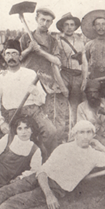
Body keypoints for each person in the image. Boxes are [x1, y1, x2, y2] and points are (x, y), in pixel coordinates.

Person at [0, 39, 58, 156]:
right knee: (14, 145)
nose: (11, 57)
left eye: (14, 53)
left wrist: (35, 92)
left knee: (51, 132)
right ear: (4, 57)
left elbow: (41, 99)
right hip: (14, 114)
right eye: (8, 54)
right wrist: (1, 122)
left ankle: (49, 161)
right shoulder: (1, 78)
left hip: (34, 111)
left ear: (20, 56)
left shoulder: (30, 74)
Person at [19, 8, 69, 138]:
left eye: (48, 21)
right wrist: (29, 49)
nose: (45, 23)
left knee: (45, 114)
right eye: (42, 19)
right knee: (28, 111)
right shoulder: (25, 38)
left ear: (51, 23)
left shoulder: (53, 41)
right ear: (36, 19)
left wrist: (41, 52)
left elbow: (57, 61)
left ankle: (47, 142)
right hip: (27, 79)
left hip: (46, 81)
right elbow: (17, 58)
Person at [55, 12, 88, 134]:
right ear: (62, 27)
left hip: (78, 76)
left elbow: (84, 61)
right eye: (66, 25)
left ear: (75, 26)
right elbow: (55, 63)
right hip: (65, 75)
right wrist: (62, 85)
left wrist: (85, 78)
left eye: (72, 24)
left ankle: (73, 134)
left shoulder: (80, 41)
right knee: (62, 108)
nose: (69, 27)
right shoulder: (58, 41)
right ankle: (61, 135)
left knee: (75, 107)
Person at [77, 80, 105, 146]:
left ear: (99, 93)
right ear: (86, 94)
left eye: (95, 92)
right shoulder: (81, 107)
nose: (92, 95)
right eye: (89, 92)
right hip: (89, 140)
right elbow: (82, 128)